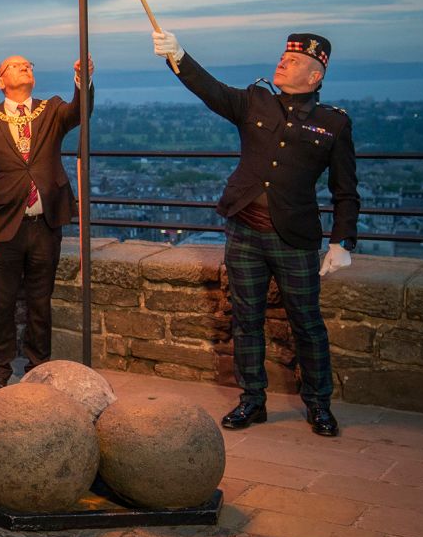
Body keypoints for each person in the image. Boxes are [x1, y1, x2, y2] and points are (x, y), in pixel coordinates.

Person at [153, 28, 359, 437]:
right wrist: (177, 55)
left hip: (295, 238)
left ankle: (319, 405)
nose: (284, 61)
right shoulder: (255, 101)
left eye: (295, 60)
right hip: (244, 231)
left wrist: (341, 241)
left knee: (307, 323)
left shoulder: (333, 124)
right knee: (246, 321)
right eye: (285, 56)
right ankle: (252, 401)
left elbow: (345, 190)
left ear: (315, 75)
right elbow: (209, 90)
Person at [0, 54, 93, 390]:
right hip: (5, 225)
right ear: (0, 81)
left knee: (41, 300)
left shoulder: (51, 110)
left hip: (45, 223)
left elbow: (79, 113)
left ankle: (39, 366)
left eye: (30, 65)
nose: (27, 67)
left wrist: (83, 83)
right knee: (2, 303)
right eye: (16, 65)